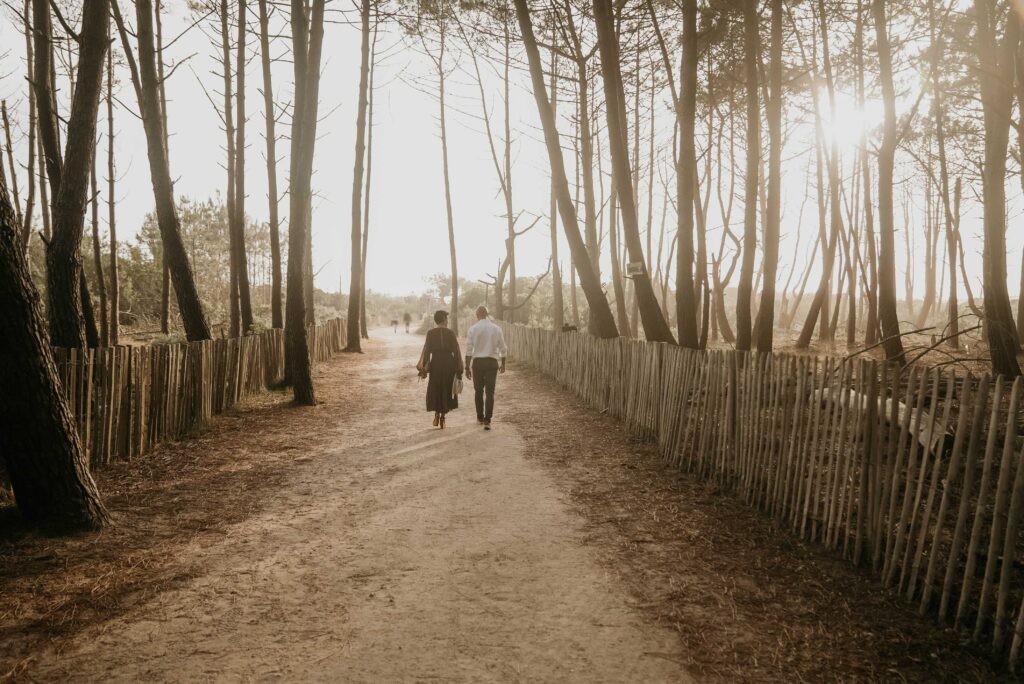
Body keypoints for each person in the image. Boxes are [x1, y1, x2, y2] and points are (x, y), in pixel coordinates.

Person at [416, 310, 463, 429]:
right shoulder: (450, 333)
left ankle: (437, 413)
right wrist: (459, 368)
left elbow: (427, 351)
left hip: (436, 363)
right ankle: (442, 417)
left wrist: (424, 369)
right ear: (443, 319)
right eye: (446, 318)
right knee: (446, 388)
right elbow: (456, 351)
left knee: (436, 388)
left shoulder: (430, 333)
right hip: (449, 364)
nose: (447, 320)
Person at [464, 306, 507, 430]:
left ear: (477, 315)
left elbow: (469, 349)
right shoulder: (496, 328)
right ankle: (488, 420)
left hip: (477, 363)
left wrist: (467, 367)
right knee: (490, 392)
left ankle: (479, 417)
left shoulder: (473, 329)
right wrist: (503, 363)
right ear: (487, 314)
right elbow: (503, 348)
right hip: (491, 363)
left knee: (478, 391)